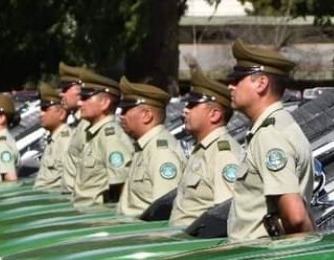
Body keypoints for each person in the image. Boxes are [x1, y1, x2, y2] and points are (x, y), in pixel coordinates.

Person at [224, 40, 312, 240]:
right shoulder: (275, 127)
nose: (230, 86)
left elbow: (296, 218)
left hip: (259, 255)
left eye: (237, 80)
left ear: (261, 84)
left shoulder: (270, 135)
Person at [168, 68, 242, 228]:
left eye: (192, 105)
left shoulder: (223, 154)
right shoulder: (203, 149)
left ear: (214, 114)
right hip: (181, 237)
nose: (185, 109)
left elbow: (225, 216)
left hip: (198, 240)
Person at [116, 77, 184, 217]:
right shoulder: (145, 146)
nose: (121, 116)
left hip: (143, 229)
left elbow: (162, 212)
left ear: (147, 115)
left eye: (126, 110)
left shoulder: (161, 152)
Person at [71, 69, 134, 206]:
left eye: (85, 98)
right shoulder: (95, 134)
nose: (79, 103)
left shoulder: (110, 137)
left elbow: (122, 186)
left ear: (104, 103)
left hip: (97, 215)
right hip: (84, 211)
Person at [33, 82, 72, 191]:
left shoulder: (65, 142)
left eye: (46, 109)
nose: (41, 114)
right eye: (41, 109)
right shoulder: (53, 139)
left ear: (62, 113)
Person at [59, 62, 87, 194]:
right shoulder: (77, 124)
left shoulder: (87, 125)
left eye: (65, 89)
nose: (61, 94)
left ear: (79, 91)